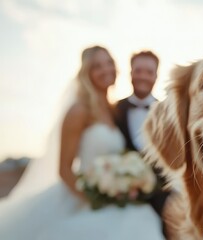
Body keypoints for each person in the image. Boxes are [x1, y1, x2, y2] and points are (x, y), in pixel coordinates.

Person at [0, 46, 164, 240]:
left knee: (144, 222)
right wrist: (93, 200)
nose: (106, 69)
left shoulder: (113, 110)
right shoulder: (78, 110)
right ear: (87, 73)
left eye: (109, 63)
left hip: (116, 197)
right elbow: (64, 169)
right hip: (84, 197)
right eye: (97, 66)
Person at [114, 50, 170, 233]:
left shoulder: (168, 112)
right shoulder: (114, 109)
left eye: (149, 72)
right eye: (138, 70)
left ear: (156, 76)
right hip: (119, 196)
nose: (143, 76)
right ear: (130, 73)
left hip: (161, 198)